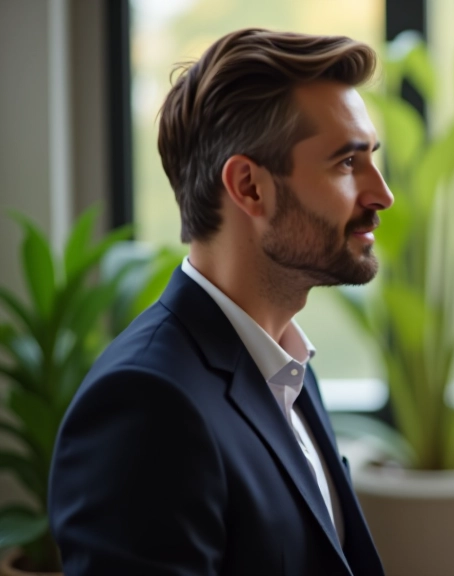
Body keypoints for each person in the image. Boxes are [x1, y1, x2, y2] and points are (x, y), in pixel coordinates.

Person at [49, 29, 393, 576]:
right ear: (250, 187)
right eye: (347, 164)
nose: (382, 194)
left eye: (371, 158)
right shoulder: (145, 405)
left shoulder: (286, 368)